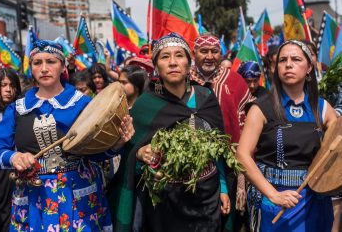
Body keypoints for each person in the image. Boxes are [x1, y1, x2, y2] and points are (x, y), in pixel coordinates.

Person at [0, 40, 134, 231]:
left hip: (78, 194)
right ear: (31, 68)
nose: (44, 68)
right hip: (34, 197)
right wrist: (14, 156)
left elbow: (96, 153)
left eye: (51, 62)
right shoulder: (18, 108)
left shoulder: (83, 104)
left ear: (63, 66)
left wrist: (117, 144)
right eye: (37, 63)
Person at [110, 33, 229, 232]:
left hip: (207, 197)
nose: (173, 62)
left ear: (189, 62)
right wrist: (140, 154)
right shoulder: (146, 105)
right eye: (165, 57)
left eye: (179, 55)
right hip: (164, 201)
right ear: (156, 66)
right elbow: (130, 155)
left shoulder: (206, 98)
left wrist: (224, 188)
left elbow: (219, 150)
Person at [236, 40, 337, 231]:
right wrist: (273, 195)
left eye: (296, 59)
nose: (288, 64)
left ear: (309, 68)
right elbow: (242, 155)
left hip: (314, 202)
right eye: (283, 60)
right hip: (273, 204)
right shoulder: (260, 108)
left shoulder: (323, 109)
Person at [190, 33, 252, 232]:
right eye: (204, 51)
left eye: (214, 51)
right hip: (191, 163)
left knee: (228, 219)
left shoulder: (235, 81)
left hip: (230, 162)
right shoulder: (183, 79)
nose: (209, 56)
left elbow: (247, 121)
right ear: (194, 53)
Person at [0, 68, 21, 232]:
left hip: (16, 178)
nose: (8, 90)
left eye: (11, 85)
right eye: (3, 85)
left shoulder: (22, 112)